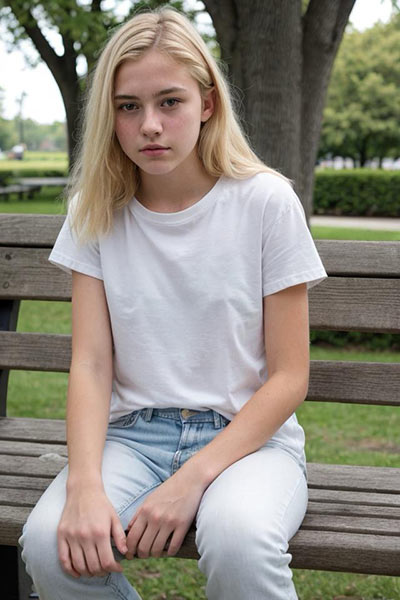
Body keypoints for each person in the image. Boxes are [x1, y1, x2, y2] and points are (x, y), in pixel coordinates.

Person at [19, 6, 328, 600]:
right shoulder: (96, 209)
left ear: (207, 104)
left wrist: (191, 480)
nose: (150, 125)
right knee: (49, 545)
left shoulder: (265, 202)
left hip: (248, 443)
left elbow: (290, 376)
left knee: (238, 540)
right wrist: (84, 484)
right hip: (132, 437)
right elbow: (90, 363)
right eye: (128, 106)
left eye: (170, 102)